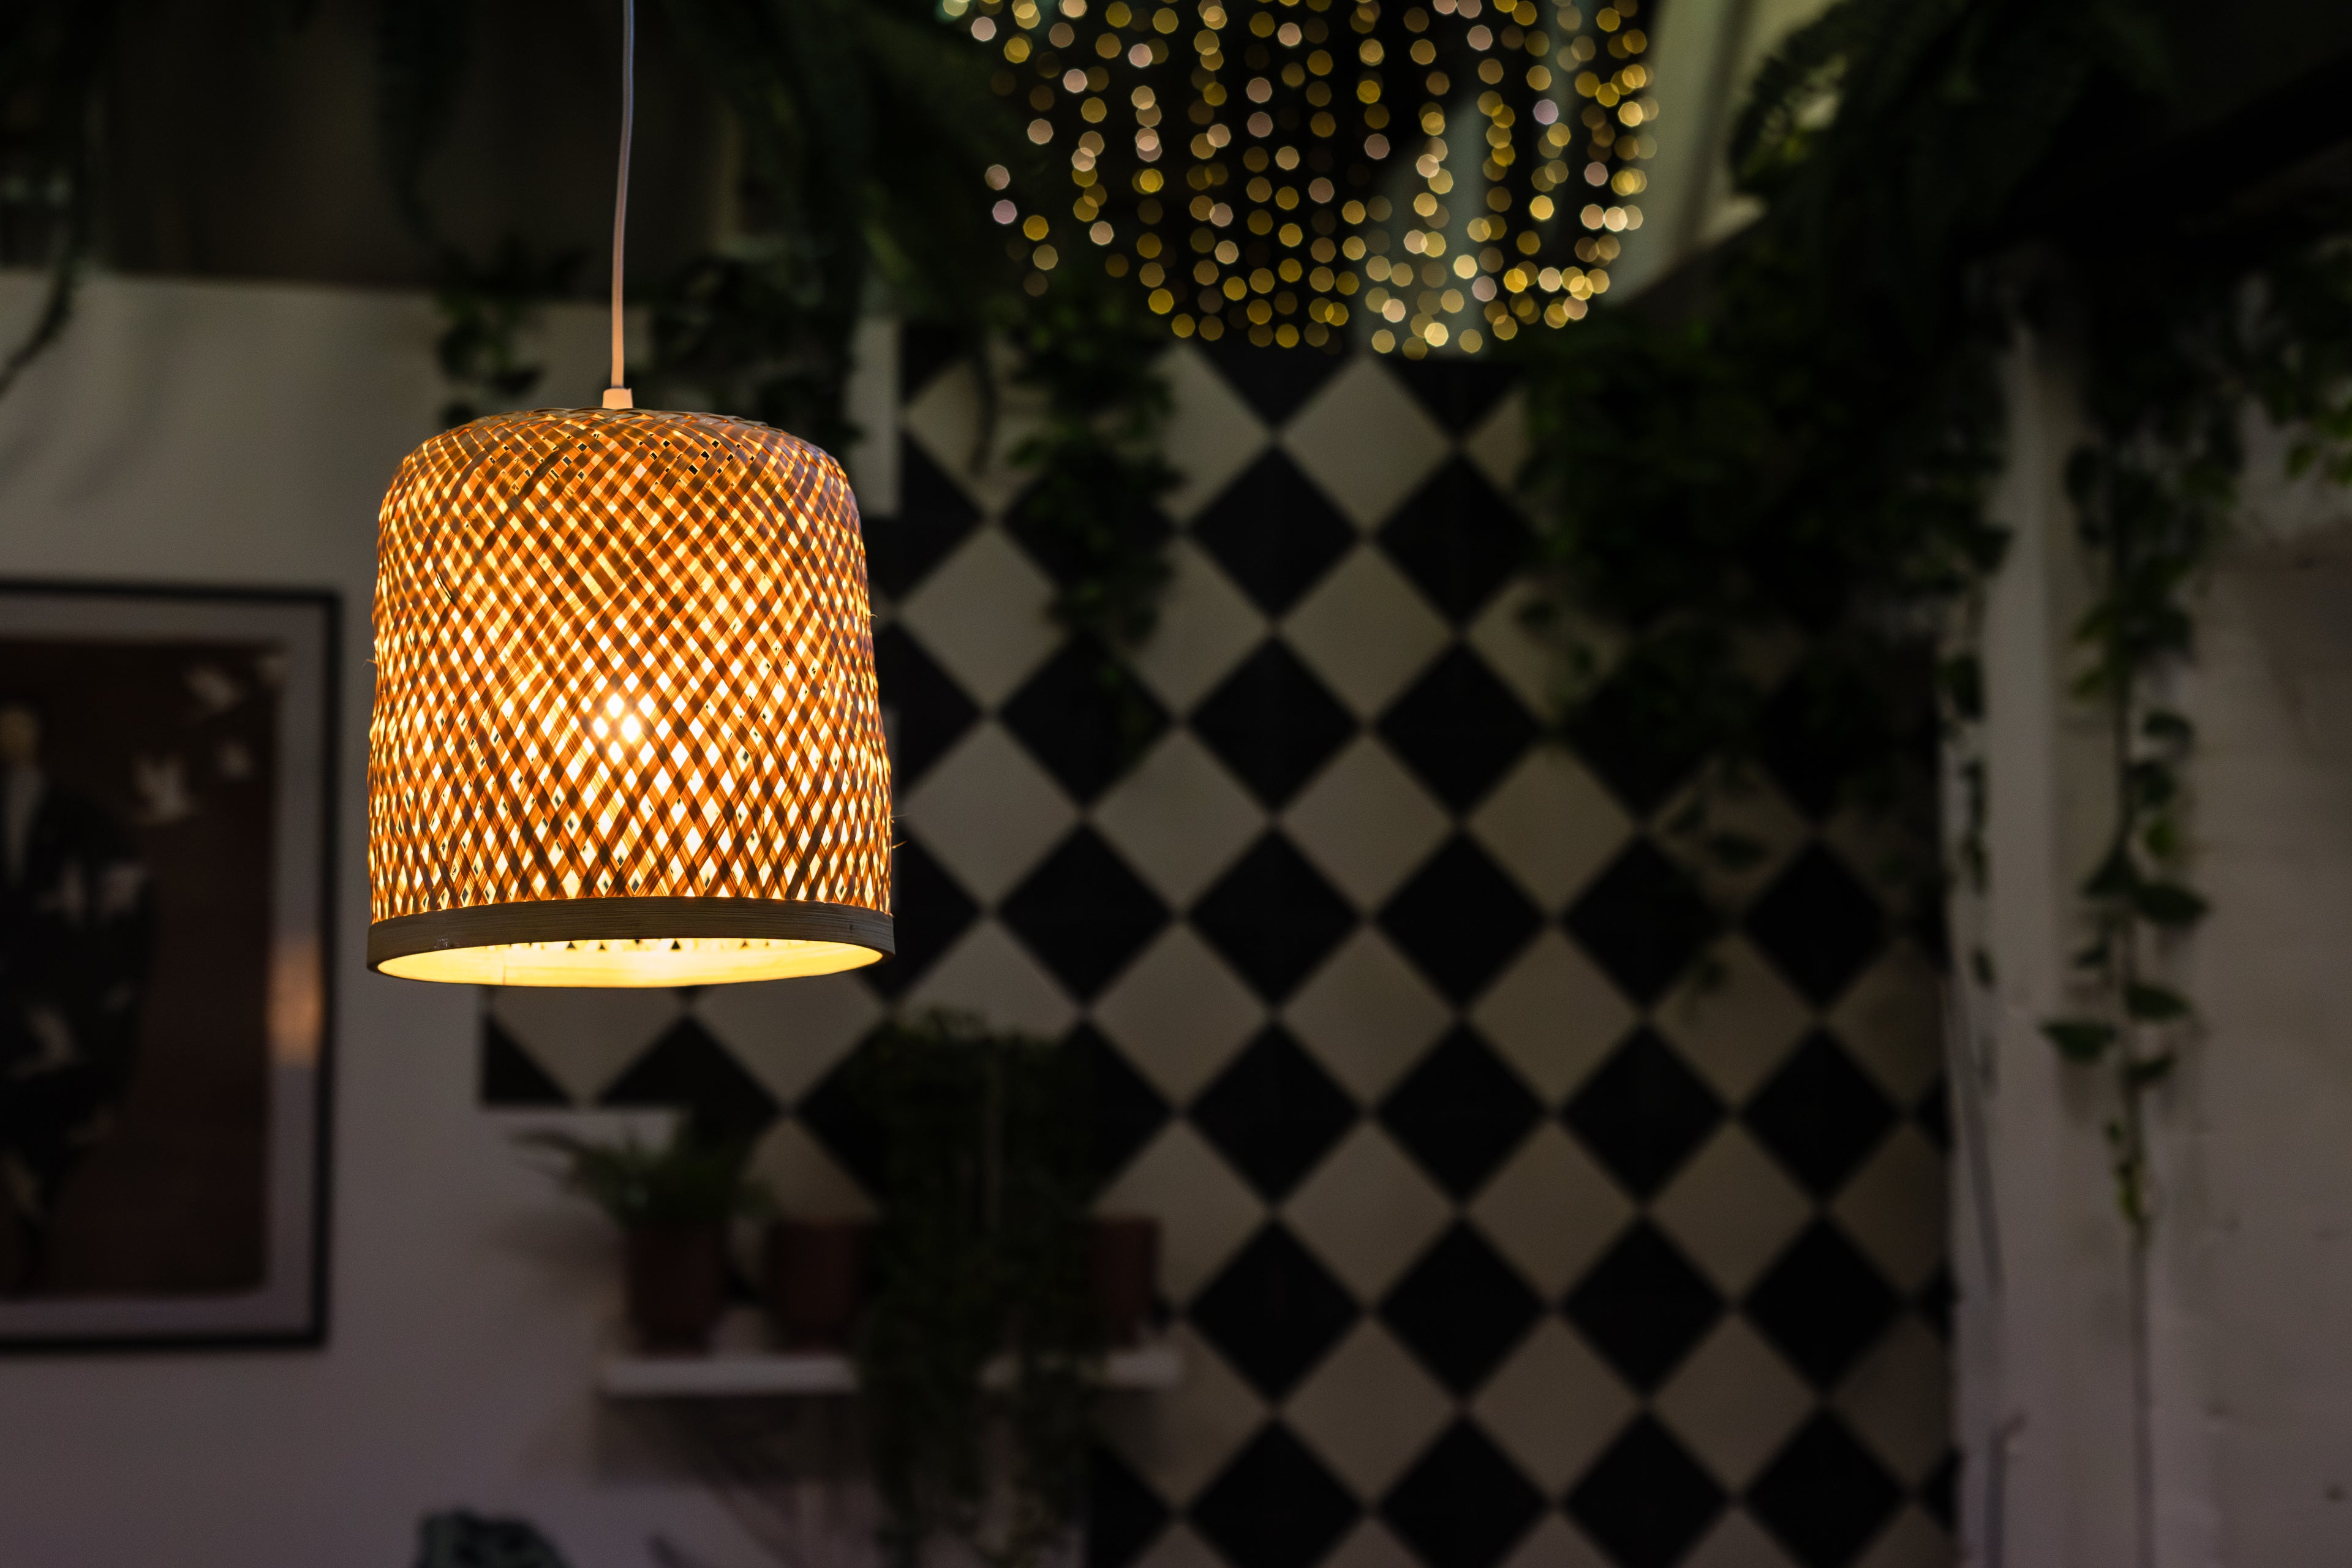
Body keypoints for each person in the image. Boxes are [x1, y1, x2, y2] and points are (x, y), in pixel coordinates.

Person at [0, 698, 153, 1293]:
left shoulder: (84, 826)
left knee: (41, 1153)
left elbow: (126, 927)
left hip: (58, 1019)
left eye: (17, 727)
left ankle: (36, 1251)